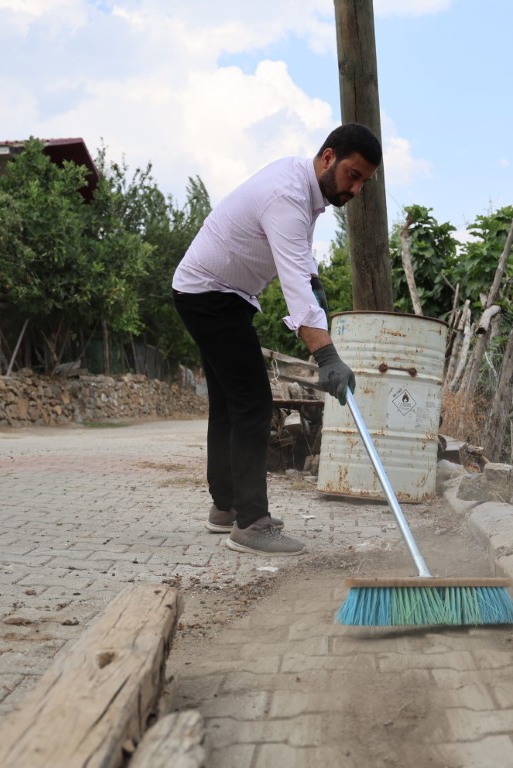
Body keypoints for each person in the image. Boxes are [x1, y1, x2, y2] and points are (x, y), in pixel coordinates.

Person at [172, 123, 383, 557]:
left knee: (231, 403)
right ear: (328, 158)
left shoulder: (304, 190)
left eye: (364, 181)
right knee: (252, 403)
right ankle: (251, 523)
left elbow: (304, 268)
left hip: (216, 292)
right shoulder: (287, 197)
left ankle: (226, 507)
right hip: (210, 294)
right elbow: (295, 287)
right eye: (354, 175)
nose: (357, 189)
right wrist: (326, 356)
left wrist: (319, 293)